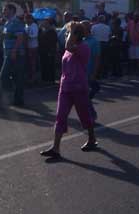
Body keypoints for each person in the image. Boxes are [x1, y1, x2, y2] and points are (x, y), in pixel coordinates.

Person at [40, 22, 97, 159]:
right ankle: (56, 148)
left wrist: (73, 31)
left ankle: (91, 139)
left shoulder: (84, 48)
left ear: (77, 35)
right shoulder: (68, 50)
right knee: (60, 117)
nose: (66, 34)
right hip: (65, 88)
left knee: (84, 116)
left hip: (79, 88)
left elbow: (67, 45)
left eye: (69, 32)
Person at [0, 4, 26, 107]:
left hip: (16, 54)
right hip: (8, 53)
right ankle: (17, 100)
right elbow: (4, 37)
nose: (3, 11)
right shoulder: (7, 23)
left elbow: (20, 38)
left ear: (12, 11)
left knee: (4, 76)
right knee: (14, 77)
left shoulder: (16, 22)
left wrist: (14, 51)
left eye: (5, 9)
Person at [81, 21, 101, 121]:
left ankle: (92, 115)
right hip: (79, 72)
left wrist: (93, 73)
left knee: (84, 96)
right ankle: (89, 114)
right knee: (82, 96)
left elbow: (97, 59)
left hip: (88, 72)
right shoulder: (80, 40)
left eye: (82, 27)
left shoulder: (94, 42)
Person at [38, 19, 58, 84]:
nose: (44, 24)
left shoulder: (52, 31)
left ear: (49, 24)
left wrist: (52, 51)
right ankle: (45, 79)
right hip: (43, 51)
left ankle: (51, 80)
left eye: (46, 23)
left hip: (49, 51)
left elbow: (53, 42)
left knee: (50, 65)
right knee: (44, 65)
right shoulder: (42, 31)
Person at [24, 14, 39, 83]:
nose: (26, 20)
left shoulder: (34, 25)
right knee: (28, 63)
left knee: (33, 62)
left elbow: (34, 35)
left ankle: (34, 78)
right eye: (25, 19)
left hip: (33, 47)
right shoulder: (26, 26)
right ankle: (29, 77)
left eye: (27, 19)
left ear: (31, 19)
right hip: (27, 46)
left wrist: (26, 36)